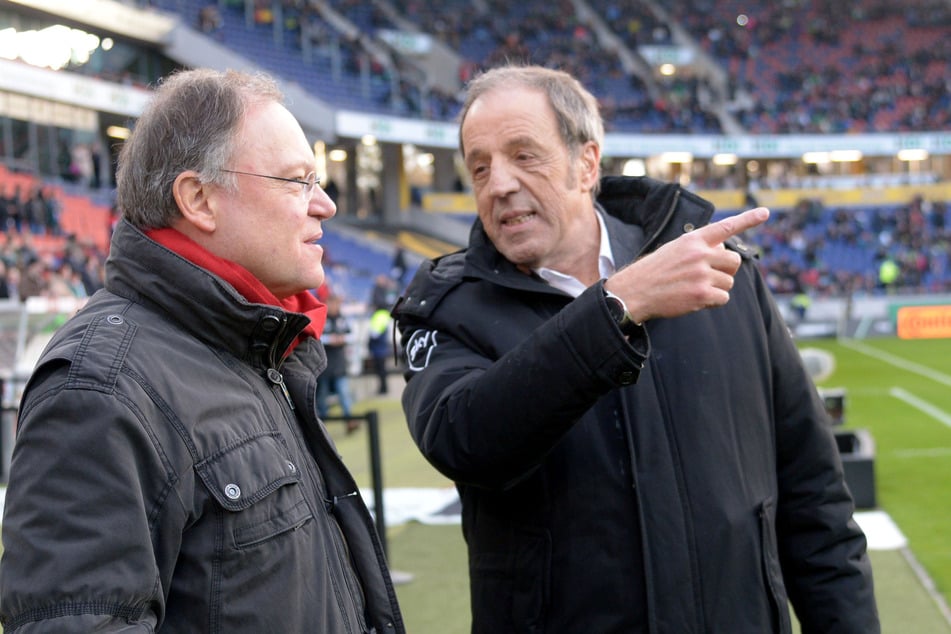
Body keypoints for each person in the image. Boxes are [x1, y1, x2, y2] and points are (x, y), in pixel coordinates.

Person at [393, 65, 878, 633]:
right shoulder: (447, 308)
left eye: (524, 155)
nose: (498, 184)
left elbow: (815, 503)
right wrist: (617, 306)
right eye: (480, 167)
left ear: (587, 164)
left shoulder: (723, 279)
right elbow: (465, 442)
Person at [0, 68, 405, 634]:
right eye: (297, 181)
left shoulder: (250, 348)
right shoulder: (99, 389)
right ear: (199, 200)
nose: (326, 206)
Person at [317, 293, 358, 432]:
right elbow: (315, 337)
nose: (334, 306)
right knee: (322, 397)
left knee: (344, 393)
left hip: (340, 365)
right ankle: (321, 427)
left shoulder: (343, 319)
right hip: (323, 366)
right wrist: (330, 339)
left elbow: (352, 335)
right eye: (331, 303)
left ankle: (349, 421)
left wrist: (342, 339)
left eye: (336, 303)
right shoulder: (321, 318)